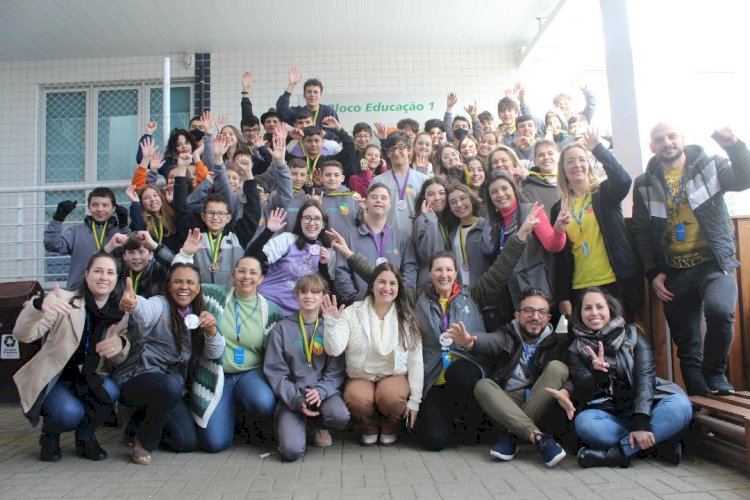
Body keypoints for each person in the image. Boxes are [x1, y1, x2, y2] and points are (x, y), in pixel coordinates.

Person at [630, 123, 750, 396]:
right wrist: (653, 272)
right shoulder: (645, 182)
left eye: (672, 136)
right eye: (659, 139)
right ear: (652, 147)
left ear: (682, 139)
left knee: (720, 310)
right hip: (674, 272)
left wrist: (734, 146)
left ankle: (716, 373)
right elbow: (640, 230)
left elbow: (744, 179)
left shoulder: (710, 165)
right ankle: (700, 407)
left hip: (712, 263)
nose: (667, 142)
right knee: (688, 347)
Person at [13, 252, 130, 462]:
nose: (104, 277)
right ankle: (50, 435)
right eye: (98, 271)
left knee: (110, 390)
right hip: (55, 376)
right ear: (86, 275)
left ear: (116, 279)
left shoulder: (119, 313)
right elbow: (23, 334)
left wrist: (120, 345)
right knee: (68, 413)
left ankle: (85, 437)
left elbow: (118, 355)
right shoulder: (64, 301)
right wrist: (38, 306)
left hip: (88, 376)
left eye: (110, 272)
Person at [566, 288, 692, 468]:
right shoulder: (575, 348)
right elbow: (584, 387)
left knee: (680, 405)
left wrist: (641, 419)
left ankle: (617, 453)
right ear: (579, 313)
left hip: (647, 406)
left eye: (599, 307)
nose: (594, 313)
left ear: (610, 309)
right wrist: (599, 375)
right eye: (588, 308)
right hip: (611, 412)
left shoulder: (633, 334)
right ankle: (655, 448)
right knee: (585, 423)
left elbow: (645, 376)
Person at [447, 288, 570, 468]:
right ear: (517, 315)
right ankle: (536, 436)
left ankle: (513, 435)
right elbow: (491, 341)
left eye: (541, 312)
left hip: (540, 401)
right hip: (507, 403)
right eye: (528, 311)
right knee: (483, 385)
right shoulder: (508, 334)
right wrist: (471, 342)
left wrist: (567, 391)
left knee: (559, 367)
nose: (535, 317)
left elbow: (571, 374)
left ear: (548, 318)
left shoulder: (557, 343)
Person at [116, 263, 225, 464]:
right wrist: (134, 304)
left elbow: (215, 353)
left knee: (186, 442)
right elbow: (145, 311)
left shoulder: (200, 313)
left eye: (190, 282)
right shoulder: (160, 304)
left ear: (199, 287)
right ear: (168, 285)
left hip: (170, 389)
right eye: (178, 281)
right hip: (139, 378)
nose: (184, 287)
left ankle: (139, 424)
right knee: (168, 385)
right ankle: (143, 440)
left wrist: (211, 332)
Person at [322, 263, 422, 446]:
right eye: (381, 282)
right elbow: (334, 349)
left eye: (393, 283)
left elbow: (416, 361)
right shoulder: (352, 313)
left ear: (398, 289)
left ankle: (390, 426)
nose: (387, 287)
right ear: (372, 285)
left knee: (391, 397)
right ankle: (368, 427)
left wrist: (415, 400)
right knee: (356, 398)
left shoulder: (406, 318)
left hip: (393, 374)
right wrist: (331, 323)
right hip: (361, 375)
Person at [196, 256, 284, 452]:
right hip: (218, 373)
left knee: (262, 401)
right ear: (233, 274)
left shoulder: (271, 311)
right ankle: (229, 416)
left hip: (251, 373)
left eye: (253, 273)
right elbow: (184, 285)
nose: (247, 277)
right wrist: (186, 253)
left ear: (261, 279)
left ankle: (248, 422)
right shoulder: (212, 295)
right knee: (214, 443)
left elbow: (277, 355)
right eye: (242, 271)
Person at [552, 130, 643, 320]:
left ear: (589, 164)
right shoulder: (558, 208)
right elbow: (560, 256)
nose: (577, 165)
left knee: (619, 342)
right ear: (563, 169)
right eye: (570, 161)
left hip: (615, 282)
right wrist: (563, 296)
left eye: (581, 159)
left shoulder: (604, 193)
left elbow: (624, 180)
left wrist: (598, 149)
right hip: (579, 286)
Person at [264, 274, 349, 461]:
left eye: (315, 292)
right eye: (303, 291)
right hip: (293, 397)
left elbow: (336, 371)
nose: (309, 296)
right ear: (296, 296)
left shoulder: (329, 326)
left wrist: (321, 391)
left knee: (340, 416)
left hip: (323, 395)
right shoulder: (282, 328)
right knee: (291, 452)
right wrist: (296, 399)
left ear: (323, 297)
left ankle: (317, 426)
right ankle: (293, 425)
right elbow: (276, 372)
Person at [481, 172, 566, 327]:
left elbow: (552, 245)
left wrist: (559, 229)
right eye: (494, 192)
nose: (500, 194)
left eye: (504, 188)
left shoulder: (531, 211)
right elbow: (488, 251)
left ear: (514, 189)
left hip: (540, 292)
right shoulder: (495, 221)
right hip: (513, 296)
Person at [334, 183, 417, 304]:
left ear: (390, 204)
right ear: (365, 202)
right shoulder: (348, 238)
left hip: (394, 305)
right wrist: (356, 301)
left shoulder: (402, 239)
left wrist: (397, 298)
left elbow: (410, 271)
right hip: (359, 306)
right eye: (374, 197)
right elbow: (342, 273)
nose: (378, 200)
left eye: (383, 198)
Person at [249, 202, 332, 316]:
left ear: (323, 224)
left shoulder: (327, 250)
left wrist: (323, 264)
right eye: (307, 218)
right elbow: (251, 259)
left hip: (298, 314)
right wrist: (268, 231)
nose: (312, 223)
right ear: (300, 221)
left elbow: (325, 289)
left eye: (317, 219)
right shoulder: (287, 239)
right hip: (267, 306)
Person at [44, 187, 130, 290]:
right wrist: (58, 219)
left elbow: (131, 252)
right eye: (94, 205)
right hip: (79, 291)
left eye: (105, 205)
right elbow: (52, 245)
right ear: (89, 207)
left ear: (113, 208)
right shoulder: (76, 231)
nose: (99, 209)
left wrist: (124, 227)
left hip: (113, 292)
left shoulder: (119, 232)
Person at [372, 131, 429, 235]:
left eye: (401, 147)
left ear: (409, 150)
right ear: (388, 153)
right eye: (392, 149)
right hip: (388, 239)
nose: (396, 152)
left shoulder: (423, 179)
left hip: (417, 237)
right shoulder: (378, 181)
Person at [276, 67, 340, 141]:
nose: (312, 95)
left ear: (321, 96)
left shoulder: (329, 112)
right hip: (301, 149)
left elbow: (337, 137)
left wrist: (322, 133)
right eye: (309, 92)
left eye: (315, 92)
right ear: (304, 95)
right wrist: (291, 85)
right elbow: (281, 110)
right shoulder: (298, 112)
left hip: (324, 150)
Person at [522, 139, 560, 218]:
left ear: (558, 156)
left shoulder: (570, 182)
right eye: (541, 155)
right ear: (535, 161)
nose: (546, 157)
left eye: (550, 153)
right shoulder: (529, 189)